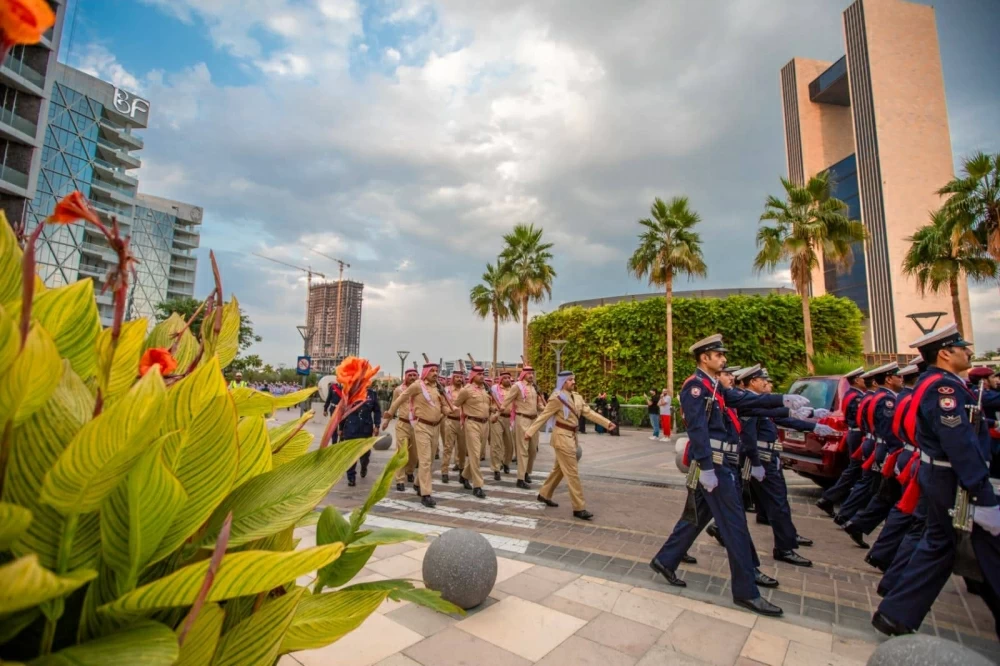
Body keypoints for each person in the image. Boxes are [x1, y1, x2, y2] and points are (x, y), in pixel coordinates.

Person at [648, 334, 811, 617]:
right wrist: (708, 468)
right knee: (735, 527)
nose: (724, 360)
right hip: (715, 466)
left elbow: (746, 402)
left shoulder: (714, 387)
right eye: (718, 355)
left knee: (696, 518)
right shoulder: (695, 387)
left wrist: (783, 403)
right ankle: (747, 592)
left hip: (720, 465)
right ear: (704, 358)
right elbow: (697, 429)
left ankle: (665, 559)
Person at [873, 324, 1000, 638]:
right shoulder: (942, 388)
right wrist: (981, 493)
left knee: (939, 545)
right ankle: (894, 611)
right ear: (945, 353)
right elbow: (958, 441)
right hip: (951, 478)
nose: (969, 352)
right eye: (962, 348)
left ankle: (895, 613)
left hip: (942, 474)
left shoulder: (941, 384)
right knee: (981, 548)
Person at [735, 365, 836, 567]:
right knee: (774, 501)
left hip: (767, 456)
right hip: (760, 458)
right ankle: (784, 547)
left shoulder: (759, 402)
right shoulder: (748, 403)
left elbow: (782, 418)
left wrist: (812, 421)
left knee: (764, 501)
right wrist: (755, 463)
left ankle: (786, 534)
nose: (767, 383)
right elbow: (748, 438)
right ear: (752, 382)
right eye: (762, 380)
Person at [525, 371, 616, 520]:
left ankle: (544, 494)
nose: (573, 382)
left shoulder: (578, 397)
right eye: (570, 380)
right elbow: (544, 415)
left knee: (559, 469)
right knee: (572, 473)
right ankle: (579, 508)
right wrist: (530, 431)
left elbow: (589, 413)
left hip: (572, 437)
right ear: (563, 382)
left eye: (574, 379)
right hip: (561, 437)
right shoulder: (557, 398)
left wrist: (607, 423)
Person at [841, 363, 904, 549]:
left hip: (878, 445)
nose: (901, 379)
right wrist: (894, 451)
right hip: (886, 447)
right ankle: (857, 523)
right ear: (889, 379)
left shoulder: (877, 397)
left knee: (883, 492)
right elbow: (887, 430)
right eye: (898, 376)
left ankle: (856, 523)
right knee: (884, 492)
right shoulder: (886, 400)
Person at [382, 362, 452, 507]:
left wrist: (450, 411)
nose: (435, 373)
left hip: (435, 427)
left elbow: (444, 405)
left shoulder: (438, 388)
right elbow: (400, 400)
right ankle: (425, 494)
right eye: (432, 370)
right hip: (421, 426)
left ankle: (417, 482)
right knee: (424, 460)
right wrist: (389, 415)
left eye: (436, 370)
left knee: (430, 460)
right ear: (426, 372)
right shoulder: (418, 386)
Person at [816, 366, 868, 516]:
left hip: (853, 434)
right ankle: (830, 500)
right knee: (855, 470)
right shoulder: (856, 397)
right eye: (863, 378)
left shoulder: (850, 394)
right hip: (858, 434)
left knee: (854, 470)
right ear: (857, 380)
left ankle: (829, 499)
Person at [328, 382, 381, 487]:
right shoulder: (348, 393)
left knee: (365, 454)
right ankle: (351, 477)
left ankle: (364, 466)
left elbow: (377, 411)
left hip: (366, 428)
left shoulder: (372, 394)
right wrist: (341, 428)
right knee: (350, 453)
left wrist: (377, 425)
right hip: (350, 428)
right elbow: (343, 411)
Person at [502, 365, 546, 488]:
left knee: (532, 450)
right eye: (529, 373)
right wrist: (499, 411)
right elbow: (507, 400)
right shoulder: (517, 386)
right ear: (523, 374)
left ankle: (527, 472)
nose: (531, 375)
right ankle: (520, 478)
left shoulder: (534, 388)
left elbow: (538, 405)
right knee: (523, 450)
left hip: (534, 421)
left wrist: (547, 409)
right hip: (522, 420)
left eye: (532, 373)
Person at [453, 366, 492, 498]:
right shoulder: (466, 390)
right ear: (473, 376)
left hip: (485, 424)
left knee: (479, 454)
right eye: (479, 374)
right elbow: (455, 404)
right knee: (474, 455)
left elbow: (488, 406)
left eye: (483, 374)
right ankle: (478, 485)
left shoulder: (486, 390)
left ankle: (464, 476)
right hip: (472, 424)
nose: (482, 376)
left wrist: (496, 411)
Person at [389, 369, 419, 492]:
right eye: (410, 375)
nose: (412, 377)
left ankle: (410, 471)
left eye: (414, 375)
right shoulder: (398, 390)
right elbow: (394, 404)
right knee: (401, 452)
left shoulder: (421, 390)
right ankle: (400, 479)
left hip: (417, 425)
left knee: (414, 453)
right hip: (403, 423)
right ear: (405, 377)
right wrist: (387, 420)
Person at [441, 370, 466, 483]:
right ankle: (444, 471)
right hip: (450, 421)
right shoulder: (446, 391)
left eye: (461, 377)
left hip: (462, 423)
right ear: (453, 378)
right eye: (457, 377)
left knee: (462, 449)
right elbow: (443, 405)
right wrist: (448, 411)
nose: (459, 379)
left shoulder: (466, 391)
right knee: (448, 447)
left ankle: (462, 470)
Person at [493, 372, 515, 474]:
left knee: (510, 445)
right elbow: (489, 403)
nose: (507, 379)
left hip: (510, 419)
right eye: (505, 378)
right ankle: (496, 468)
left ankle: (506, 463)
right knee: (497, 444)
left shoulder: (514, 389)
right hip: (498, 418)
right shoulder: (494, 389)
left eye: (508, 378)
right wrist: (494, 409)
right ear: (501, 379)